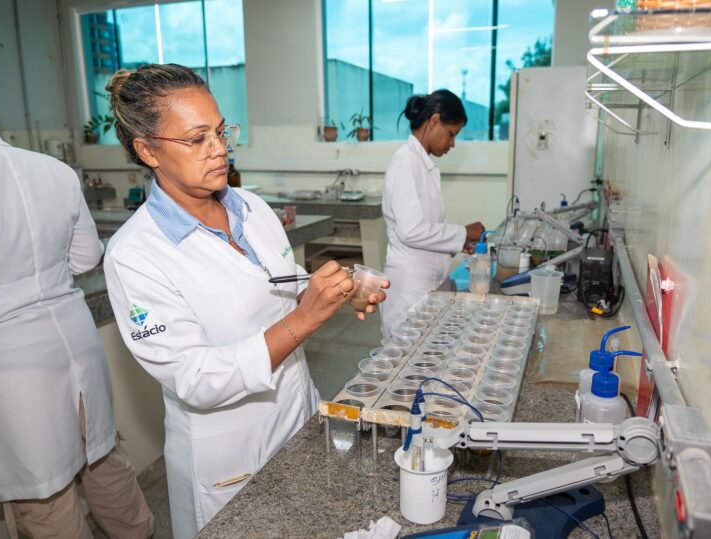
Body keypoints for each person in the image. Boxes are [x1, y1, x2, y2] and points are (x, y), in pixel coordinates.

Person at [102, 63, 388, 539]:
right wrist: (306, 318)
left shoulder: (250, 207)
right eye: (196, 139)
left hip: (296, 413)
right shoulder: (135, 254)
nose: (219, 149)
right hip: (231, 451)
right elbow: (196, 378)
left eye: (220, 131)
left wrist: (330, 293)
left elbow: (281, 290)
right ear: (148, 150)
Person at [0, 36, 152, 539]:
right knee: (103, 458)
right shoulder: (52, 170)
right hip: (75, 343)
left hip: (5, 366)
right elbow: (85, 258)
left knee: (44, 496)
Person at [381, 89, 485, 335]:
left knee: (424, 351)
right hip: (410, 289)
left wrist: (459, 242)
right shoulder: (405, 162)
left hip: (426, 282)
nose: (452, 143)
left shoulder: (421, 163)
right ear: (435, 120)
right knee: (405, 353)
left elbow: (426, 226)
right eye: (452, 134)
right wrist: (462, 233)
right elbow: (411, 231)